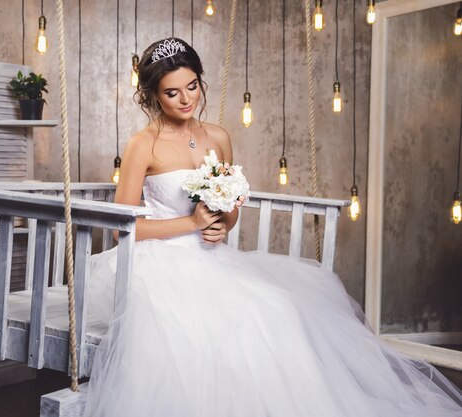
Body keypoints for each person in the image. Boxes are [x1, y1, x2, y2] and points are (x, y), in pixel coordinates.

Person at [82, 37, 462, 416]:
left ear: (201, 81)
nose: (186, 99)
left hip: (211, 254)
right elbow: (122, 227)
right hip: (157, 263)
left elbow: (228, 209)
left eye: (193, 86)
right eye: (172, 92)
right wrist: (190, 222)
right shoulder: (142, 144)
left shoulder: (218, 137)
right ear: (153, 96)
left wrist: (222, 225)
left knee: (278, 308)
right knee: (197, 327)